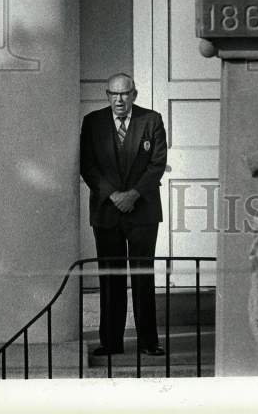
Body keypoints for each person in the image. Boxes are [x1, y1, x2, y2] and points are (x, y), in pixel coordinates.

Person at [80, 72, 167, 357]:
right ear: (107, 95)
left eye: (125, 94)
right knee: (111, 277)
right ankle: (111, 342)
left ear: (134, 94)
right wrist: (114, 195)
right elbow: (88, 166)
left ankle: (148, 342)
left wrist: (133, 195)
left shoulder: (151, 121)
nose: (119, 99)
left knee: (142, 276)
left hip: (142, 211)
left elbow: (157, 164)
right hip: (107, 211)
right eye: (114, 94)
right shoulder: (92, 123)